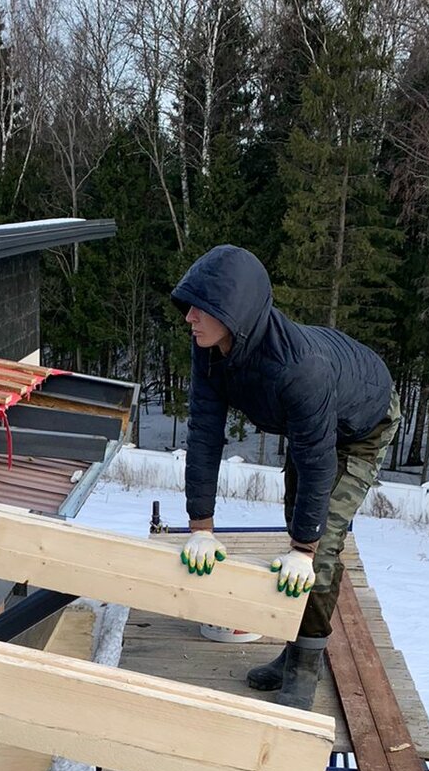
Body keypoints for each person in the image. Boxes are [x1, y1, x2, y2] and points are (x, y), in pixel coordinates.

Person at [171, 245, 401, 708]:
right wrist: (201, 527)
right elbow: (204, 434)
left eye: (201, 308)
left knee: (320, 543)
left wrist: (304, 549)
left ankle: (304, 668)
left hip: (362, 424)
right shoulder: (209, 349)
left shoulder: (298, 368)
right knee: (296, 516)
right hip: (314, 424)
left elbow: (318, 462)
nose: (189, 317)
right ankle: (294, 648)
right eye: (189, 305)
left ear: (234, 312)